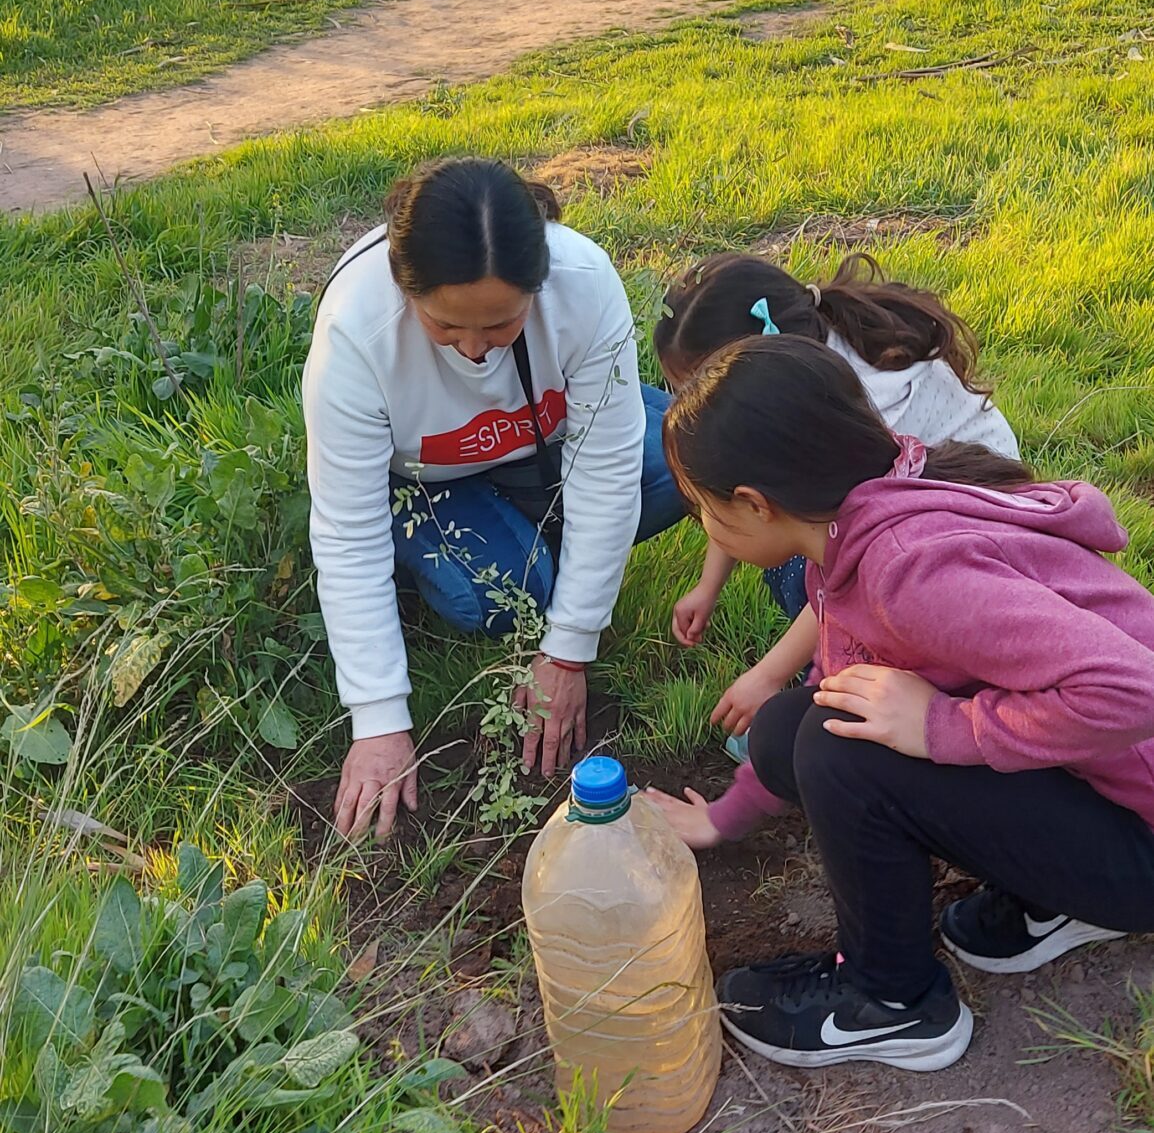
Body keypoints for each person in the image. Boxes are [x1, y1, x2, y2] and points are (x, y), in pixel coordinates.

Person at [650, 336, 1154, 1074]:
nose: (705, 526)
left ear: (755, 506)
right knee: (802, 723)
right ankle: (1058, 899)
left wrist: (942, 726)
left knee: (838, 744)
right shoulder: (863, 521)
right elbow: (831, 689)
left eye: (703, 509)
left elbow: (1133, 691)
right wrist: (721, 819)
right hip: (1110, 793)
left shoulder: (908, 571)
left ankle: (893, 1001)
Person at [303, 157, 683, 839]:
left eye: (502, 326)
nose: (475, 351)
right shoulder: (354, 332)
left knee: (689, 466)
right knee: (498, 595)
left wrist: (568, 649)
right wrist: (380, 719)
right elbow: (346, 530)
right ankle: (483, 563)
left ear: (538, 285)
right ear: (403, 287)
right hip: (426, 477)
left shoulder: (584, 282)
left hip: (541, 451)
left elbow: (606, 466)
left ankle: (543, 560)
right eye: (446, 328)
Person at [654, 251, 1018, 757]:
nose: (686, 400)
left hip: (971, 542)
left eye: (696, 384)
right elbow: (729, 476)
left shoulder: (851, 410)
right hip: (903, 522)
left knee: (798, 564)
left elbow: (848, 564)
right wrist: (707, 586)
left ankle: (848, 692)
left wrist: (767, 676)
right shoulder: (803, 370)